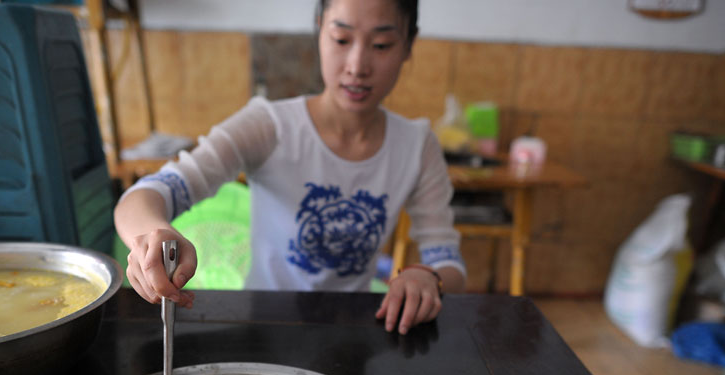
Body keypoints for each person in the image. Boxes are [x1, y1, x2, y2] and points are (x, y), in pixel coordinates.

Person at [114, 0, 466, 335]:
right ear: (319, 30)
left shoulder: (417, 145)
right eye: (341, 39)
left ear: (408, 46)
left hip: (357, 330)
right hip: (264, 329)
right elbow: (146, 195)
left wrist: (428, 277)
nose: (357, 65)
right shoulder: (270, 126)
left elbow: (448, 262)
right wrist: (152, 237)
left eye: (382, 44)